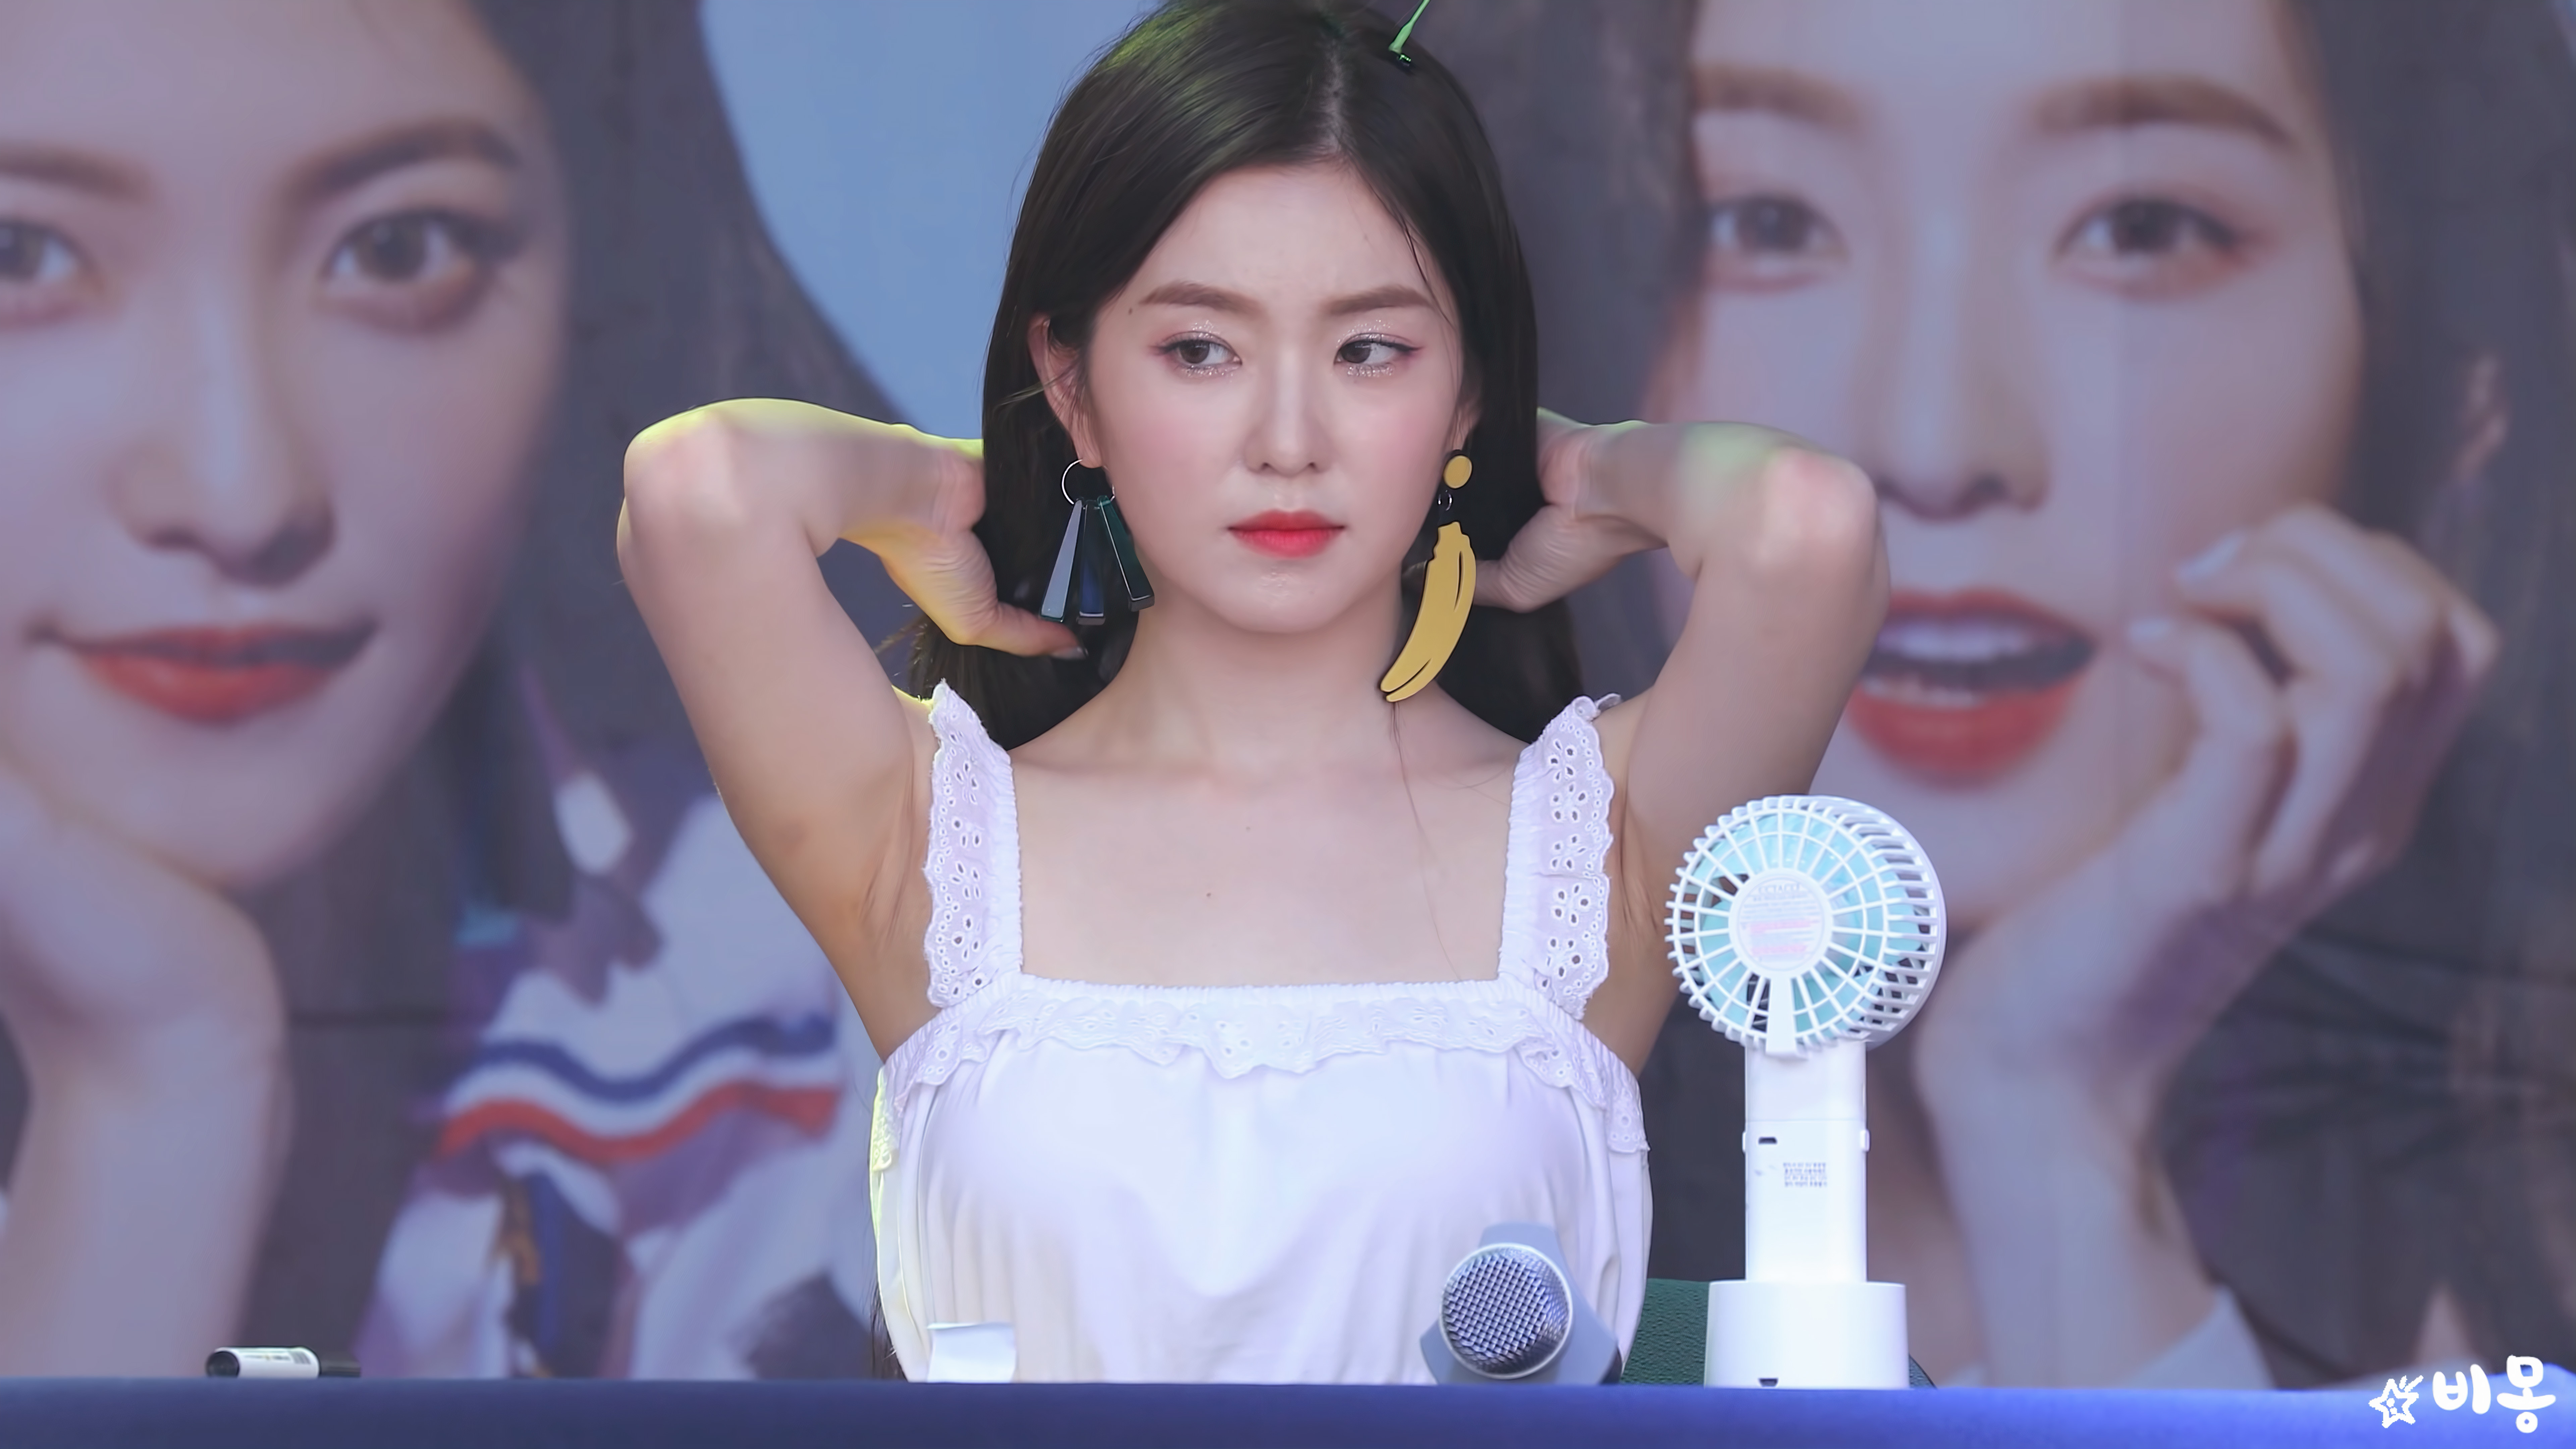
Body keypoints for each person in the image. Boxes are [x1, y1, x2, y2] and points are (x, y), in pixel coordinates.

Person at [619, 0, 1886, 1383]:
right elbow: (699, 493)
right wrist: (947, 489)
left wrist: (1576, 471)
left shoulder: (1596, 848)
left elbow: (1804, 531)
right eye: (1200, 352)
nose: (1289, 441)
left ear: (1465, 394)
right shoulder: (928, 839)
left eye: (1371, 351)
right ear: (1073, 381)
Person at [1441, 0, 2576, 1386]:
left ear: (2459, 388)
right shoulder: (1453, 1143)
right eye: (1764, 222)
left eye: (2142, 227)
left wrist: (2048, 1110)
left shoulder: (2506, 1330)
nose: (1935, 443)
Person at [0, 0, 902, 1376]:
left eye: (398, 250)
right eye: (20, 254)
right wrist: (147, 1119)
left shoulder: (808, 977)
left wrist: (155, 1073)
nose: (244, 493)